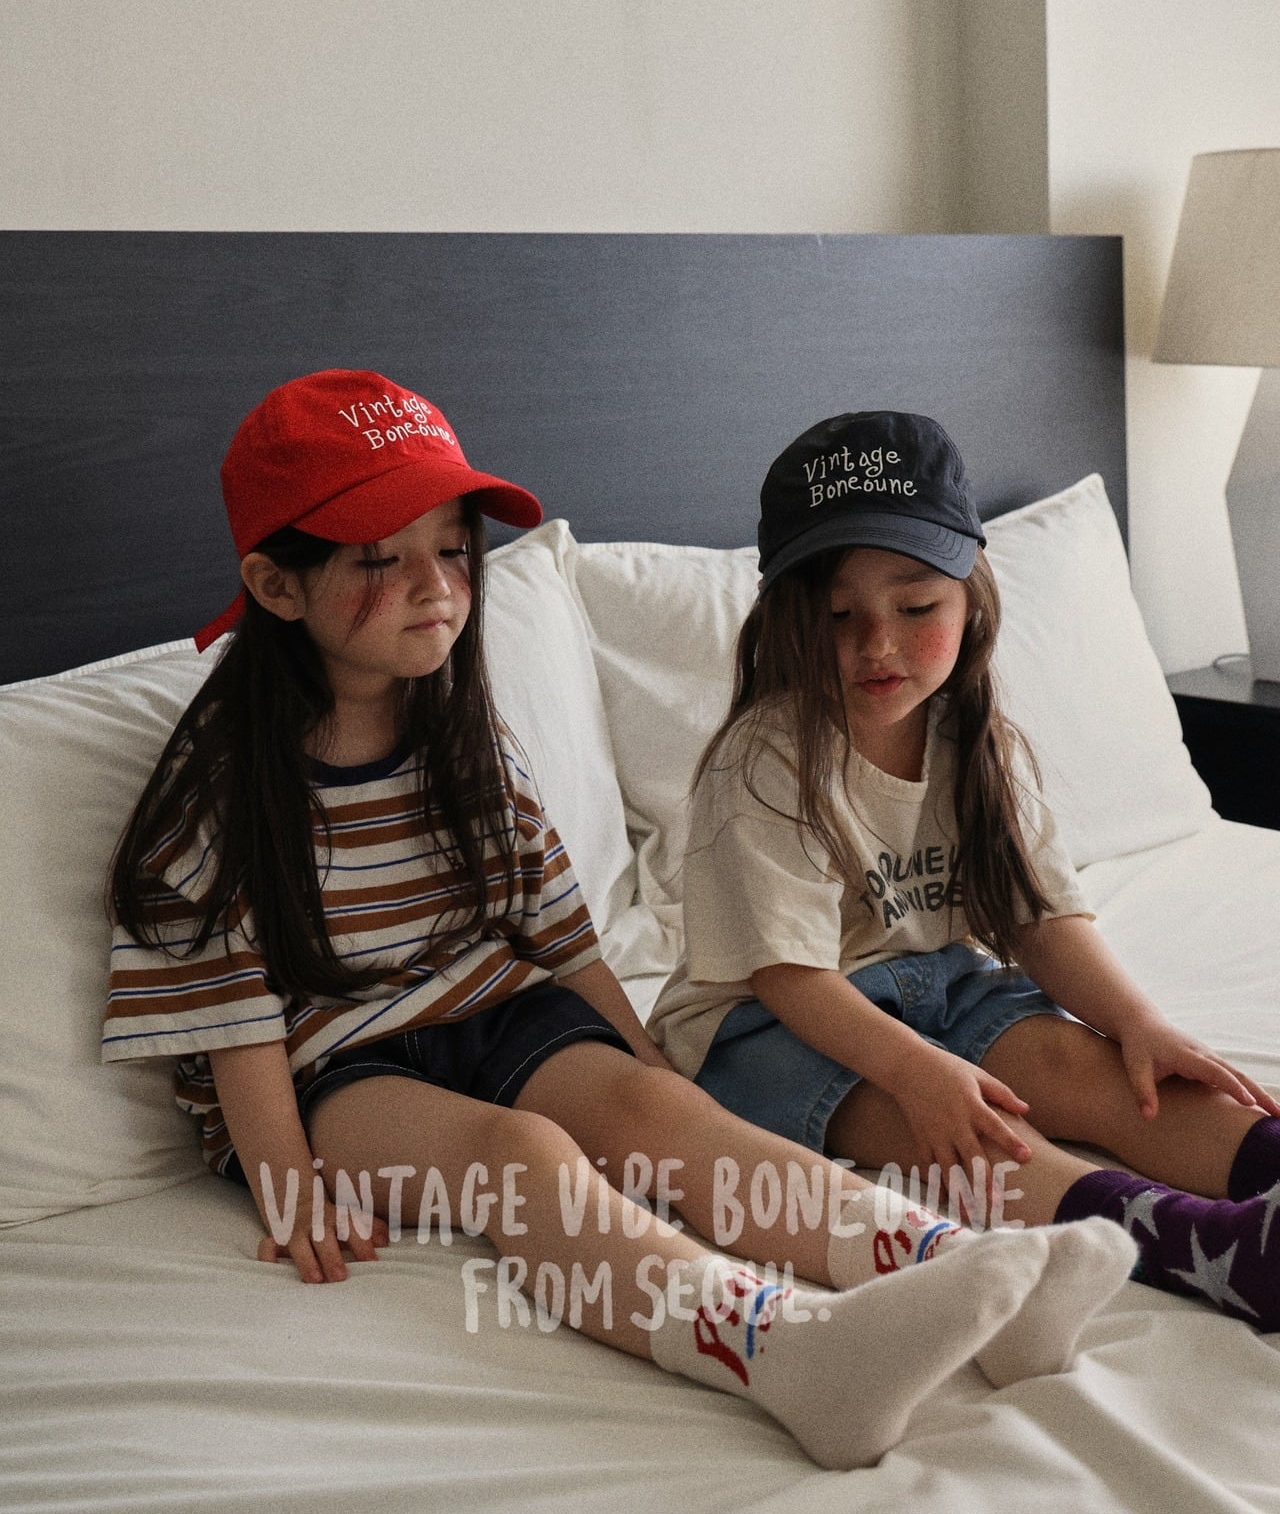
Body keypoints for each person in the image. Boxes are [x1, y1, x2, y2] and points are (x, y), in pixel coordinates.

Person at [104, 373, 1136, 1472]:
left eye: (450, 550)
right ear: (276, 584)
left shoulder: (463, 734)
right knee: (521, 1154)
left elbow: (557, 928)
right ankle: (784, 1352)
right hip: (334, 1069)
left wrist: (648, 1061)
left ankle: (958, 1270)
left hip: (498, 1013)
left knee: (664, 1110)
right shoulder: (224, 788)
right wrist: (289, 1185)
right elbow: (237, 1018)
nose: (436, 586)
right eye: (378, 560)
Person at [649, 409, 1280, 1332]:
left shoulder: (977, 741)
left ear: (970, 600)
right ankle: (1202, 1248)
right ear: (785, 618)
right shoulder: (766, 760)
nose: (877, 645)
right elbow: (788, 976)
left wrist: (1138, 1022)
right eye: (836, 615)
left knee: (1085, 1061)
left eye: (916, 609)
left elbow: (1041, 919)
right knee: (962, 1129)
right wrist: (920, 1072)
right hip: (765, 1024)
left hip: (933, 983)